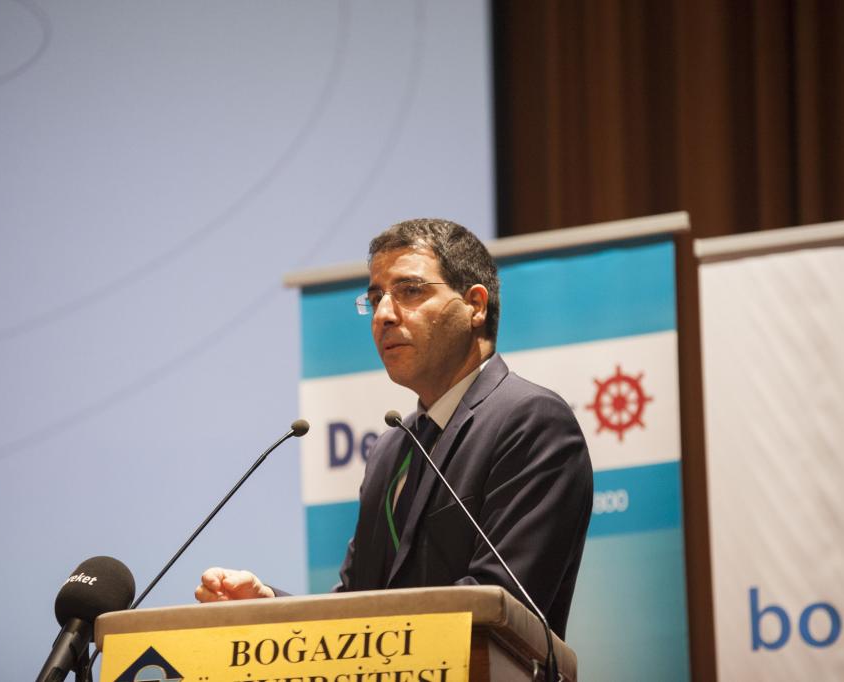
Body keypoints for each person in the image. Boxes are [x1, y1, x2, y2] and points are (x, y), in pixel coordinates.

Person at [196, 218, 592, 639]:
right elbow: (357, 603)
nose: (383, 315)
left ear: (475, 306)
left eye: (410, 291)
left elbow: (500, 602)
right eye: (375, 298)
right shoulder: (391, 450)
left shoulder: (531, 422)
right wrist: (267, 609)